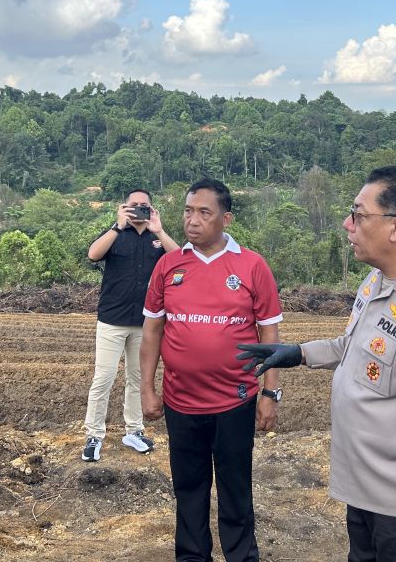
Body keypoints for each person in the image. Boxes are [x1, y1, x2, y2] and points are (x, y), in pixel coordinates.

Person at [237, 166, 396, 562]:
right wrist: (299, 353)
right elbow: (352, 346)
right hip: (367, 490)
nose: (347, 224)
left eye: (358, 214)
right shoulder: (378, 280)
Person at [140, 178, 283, 562]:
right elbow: (152, 330)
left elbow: (270, 333)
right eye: (188, 210)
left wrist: (270, 393)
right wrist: (147, 390)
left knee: (236, 489)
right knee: (189, 489)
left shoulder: (251, 266)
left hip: (234, 401)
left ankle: (240, 555)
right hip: (181, 403)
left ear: (226, 218)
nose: (193, 220)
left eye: (205, 212)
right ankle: (191, 556)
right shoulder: (168, 266)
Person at [81, 188, 179, 462]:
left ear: (152, 209)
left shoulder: (157, 240)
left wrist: (159, 230)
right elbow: (92, 254)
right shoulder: (115, 234)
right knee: (103, 378)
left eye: (144, 206)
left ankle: (134, 430)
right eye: (133, 205)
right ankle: (94, 435)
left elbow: (183, 261)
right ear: (124, 207)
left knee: (137, 379)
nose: (138, 209)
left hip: (145, 324)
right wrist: (117, 225)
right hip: (111, 320)